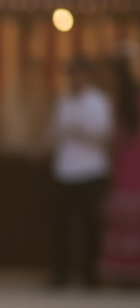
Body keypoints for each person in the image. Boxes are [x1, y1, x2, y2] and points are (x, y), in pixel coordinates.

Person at [49, 57, 114, 288]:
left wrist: (83, 131)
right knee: (61, 226)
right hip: (65, 168)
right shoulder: (63, 101)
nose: (76, 79)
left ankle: (90, 276)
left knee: (90, 226)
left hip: (91, 168)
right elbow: (55, 131)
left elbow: (105, 134)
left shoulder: (98, 101)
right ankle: (61, 275)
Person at [99, 54, 140, 284]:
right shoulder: (130, 100)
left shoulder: (119, 103)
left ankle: (124, 271)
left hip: (126, 162)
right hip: (132, 161)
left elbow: (113, 136)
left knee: (125, 213)